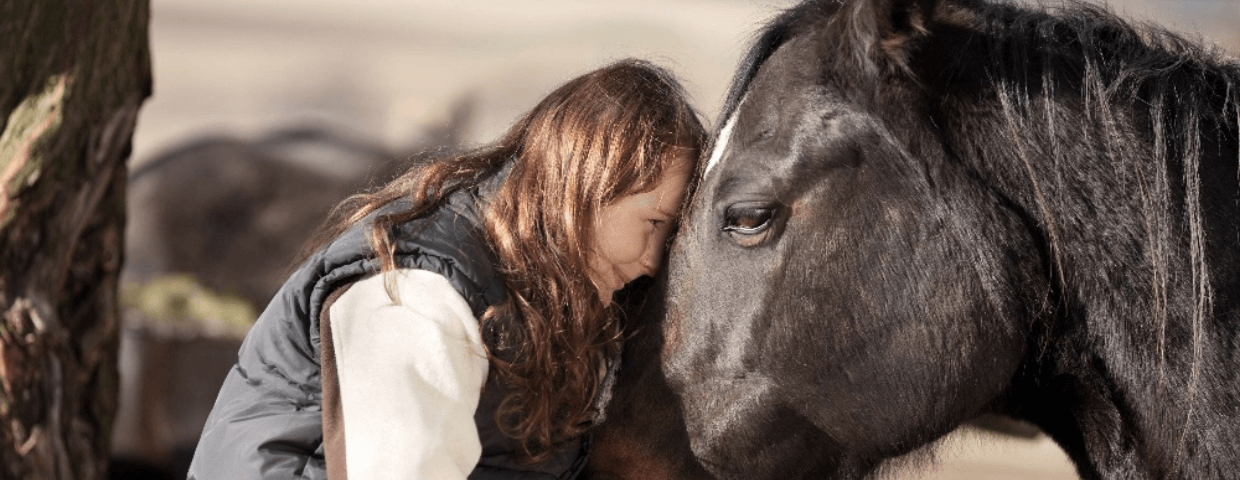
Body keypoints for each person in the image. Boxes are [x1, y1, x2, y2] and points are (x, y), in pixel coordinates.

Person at [187, 58, 707, 480]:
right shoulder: (417, 291)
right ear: (587, 187)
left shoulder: (548, 295)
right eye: (654, 222)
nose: (654, 260)